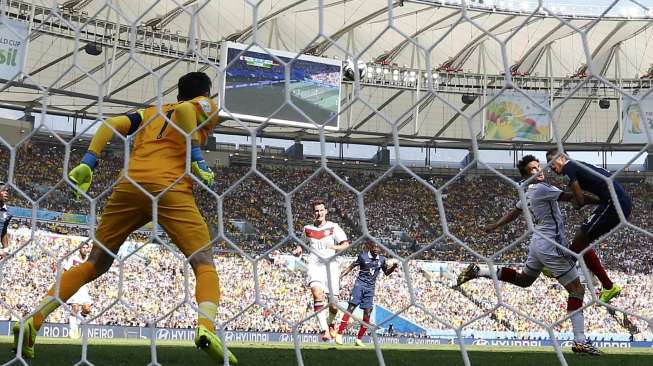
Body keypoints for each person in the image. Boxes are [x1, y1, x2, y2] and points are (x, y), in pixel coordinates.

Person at [13, 72, 237, 364]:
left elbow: (110, 123)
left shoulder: (152, 111)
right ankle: (206, 329)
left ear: (177, 91)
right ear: (204, 93)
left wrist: (88, 162)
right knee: (203, 263)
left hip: (129, 185)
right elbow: (185, 110)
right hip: (170, 187)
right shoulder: (203, 105)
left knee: (95, 262)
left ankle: (35, 318)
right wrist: (197, 158)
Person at [458, 155, 601, 355]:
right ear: (527, 174)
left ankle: (479, 270)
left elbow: (514, 213)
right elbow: (574, 197)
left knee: (524, 280)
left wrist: (495, 226)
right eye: (533, 169)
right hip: (551, 245)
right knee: (577, 290)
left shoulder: (527, 191)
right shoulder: (543, 189)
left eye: (539, 167)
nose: (539, 170)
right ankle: (580, 341)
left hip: (536, 244)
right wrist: (603, 201)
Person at [546, 148, 632, 303]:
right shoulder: (578, 165)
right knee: (581, 241)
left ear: (560, 158)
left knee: (580, 238)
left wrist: (575, 203)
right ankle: (607, 286)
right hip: (615, 201)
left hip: (614, 203)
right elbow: (586, 197)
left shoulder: (568, 168)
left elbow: (579, 200)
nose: (551, 168)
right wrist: (595, 201)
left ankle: (560, 265)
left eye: (551, 162)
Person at [293, 200, 350, 341]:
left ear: (326, 211)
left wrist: (333, 247)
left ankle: (331, 323)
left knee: (334, 305)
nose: (319, 213)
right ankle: (324, 330)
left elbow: (346, 245)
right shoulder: (307, 228)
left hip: (331, 266)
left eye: (321, 210)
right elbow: (301, 243)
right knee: (317, 294)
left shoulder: (333, 227)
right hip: (315, 265)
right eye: (316, 211)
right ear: (314, 213)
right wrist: (298, 250)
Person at [334, 243, 398, 346]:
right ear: (370, 248)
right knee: (351, 308)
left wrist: (393, 267)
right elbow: (351, 266)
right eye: (374, 247)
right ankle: (339, 334)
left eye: (378, 248)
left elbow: (386, 272)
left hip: (370, 289)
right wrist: (340, 276)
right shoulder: (363, 256)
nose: (377, 249)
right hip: (359, 285)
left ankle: (359, 339)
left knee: (368, 313)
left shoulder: (381, 259)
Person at [63, 243, 92, 338]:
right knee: (75, 308)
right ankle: (73, 331)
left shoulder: (89, 260)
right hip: (74, 285)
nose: (84, 249)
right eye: (83, 247)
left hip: (84, 286)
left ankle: (76, 327)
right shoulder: (73, 259)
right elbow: (65, 271)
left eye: (86, 248)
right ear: (79, 249)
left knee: (87, 309)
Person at [0, 182, 12, 259]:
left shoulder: (8, 212)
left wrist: (5, 249)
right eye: (3, 190)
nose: (6, 193)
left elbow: (4, 230)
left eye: (7, 191)